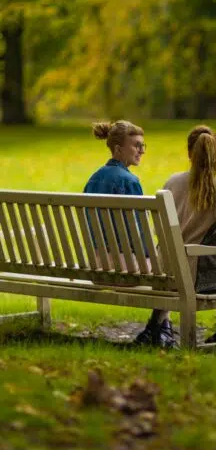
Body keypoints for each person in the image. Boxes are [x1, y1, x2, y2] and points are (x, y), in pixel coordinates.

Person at [134, 125, 216, 346]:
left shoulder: (171, 182)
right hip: (200, 276)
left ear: (190, 153)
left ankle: (156, 326)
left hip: (166, 269)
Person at [84, 121, 177, 347]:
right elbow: (140, 236)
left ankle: (159, 330)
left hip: (96, 266)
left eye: (143, 146)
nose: (141, 151)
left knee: (169, 263)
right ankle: (157, 328)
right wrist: (153, 254)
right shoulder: (129, 181)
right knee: (177, 267)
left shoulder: (93, 179)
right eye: (136, 145)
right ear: (118, 149)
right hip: (123, 269)